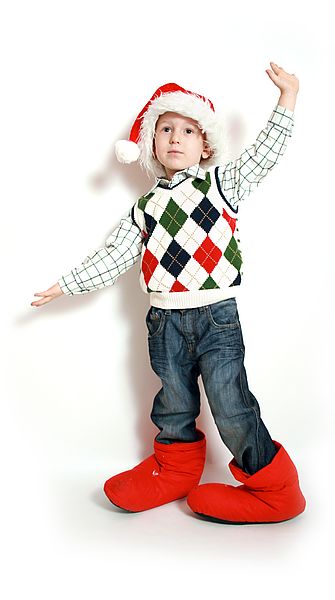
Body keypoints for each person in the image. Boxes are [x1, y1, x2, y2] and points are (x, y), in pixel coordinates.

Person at [32, 62, 306, 524]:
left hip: (216, 317)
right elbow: (113, 255)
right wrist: (64, 285)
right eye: (165, 129)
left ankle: (275, 487)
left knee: (230, 402)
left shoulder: (222, 185)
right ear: (152, 143)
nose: (175, 138)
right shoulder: (144, 207)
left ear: (206, 144)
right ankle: (176, 469)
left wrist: (288, 98)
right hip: (165, 323)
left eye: (187, 130)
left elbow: (265, 155)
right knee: (173, 401)